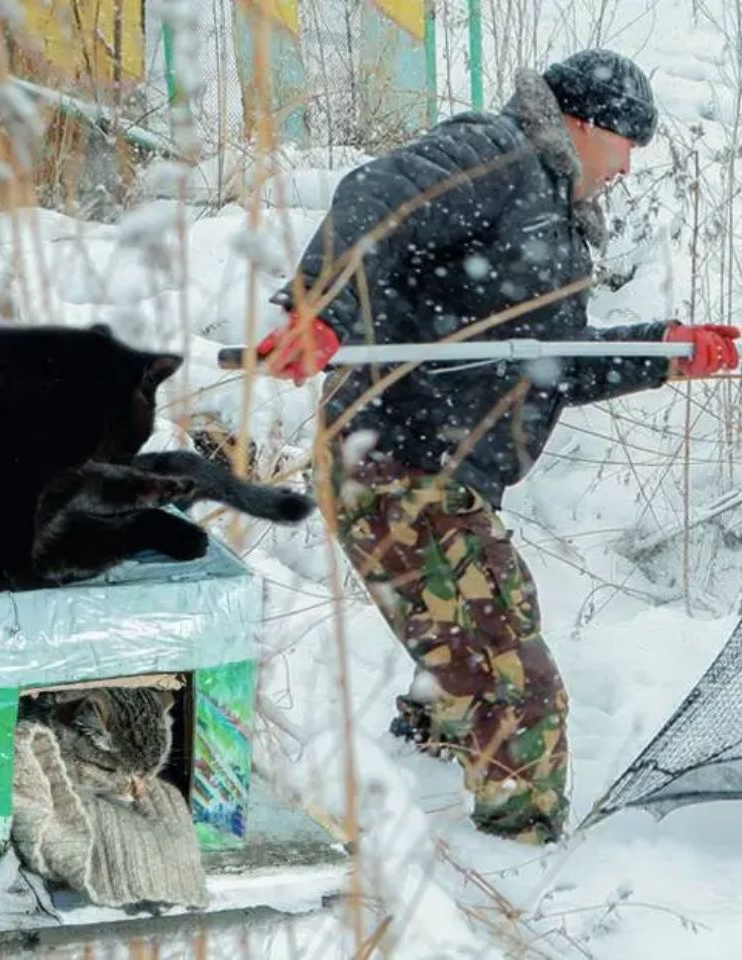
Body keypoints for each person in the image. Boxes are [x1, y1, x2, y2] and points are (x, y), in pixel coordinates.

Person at [255, 49, 741, 844]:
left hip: (435, 475)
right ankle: (518, 851)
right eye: (627, 148)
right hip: (398, 465)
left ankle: (428, 762)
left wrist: (667, 351)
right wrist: (320, 305)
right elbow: (374, 197)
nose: (626, 170)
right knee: (517, 689)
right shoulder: (498, 152)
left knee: (495, 624)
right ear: (586, 124)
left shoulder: (551, 218)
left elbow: (554, 366)